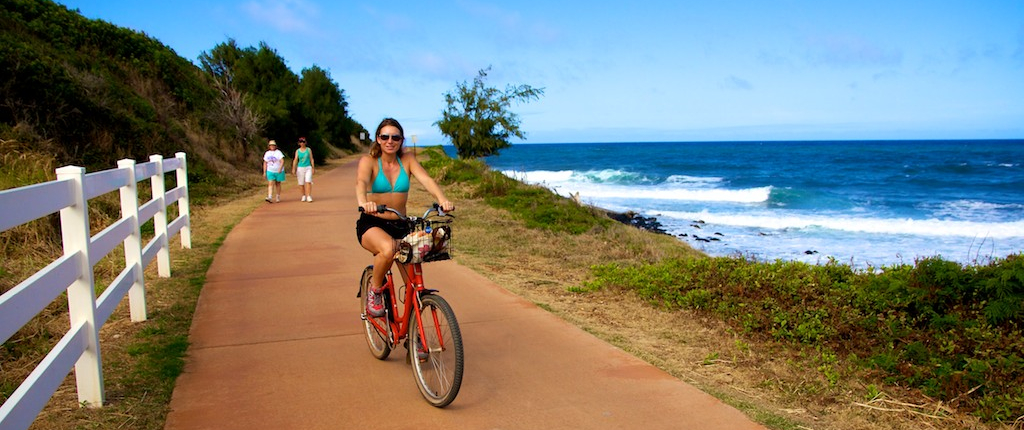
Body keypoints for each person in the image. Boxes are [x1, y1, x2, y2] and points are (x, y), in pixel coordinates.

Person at [355, 118, 453, 317]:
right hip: (373, 223)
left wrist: (443, 199)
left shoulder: (407, 159)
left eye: (395, 137)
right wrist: (364, 202)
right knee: (389, 248)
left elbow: (425, 179)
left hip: (401, 224)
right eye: (385, 137)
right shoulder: (369, 161)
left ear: (401, 140)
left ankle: (414, 334)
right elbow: (361, 181)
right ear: (378, 139)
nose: (390, 141)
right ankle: (375, 291)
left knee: (414, 286)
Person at [291, 136, 315, 202]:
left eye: (303, 142)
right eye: (301, 142)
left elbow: (311, 159)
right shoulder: (297, 151)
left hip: (308, 167)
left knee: (308, 181)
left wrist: (313, 167)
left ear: (305, 142)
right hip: (300, 168)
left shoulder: (308, 150)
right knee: (301, 183)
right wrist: (293, 168)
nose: (302, 143)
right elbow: (295, 159)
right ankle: (303, 195)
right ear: (299, 143)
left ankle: (308, 196)